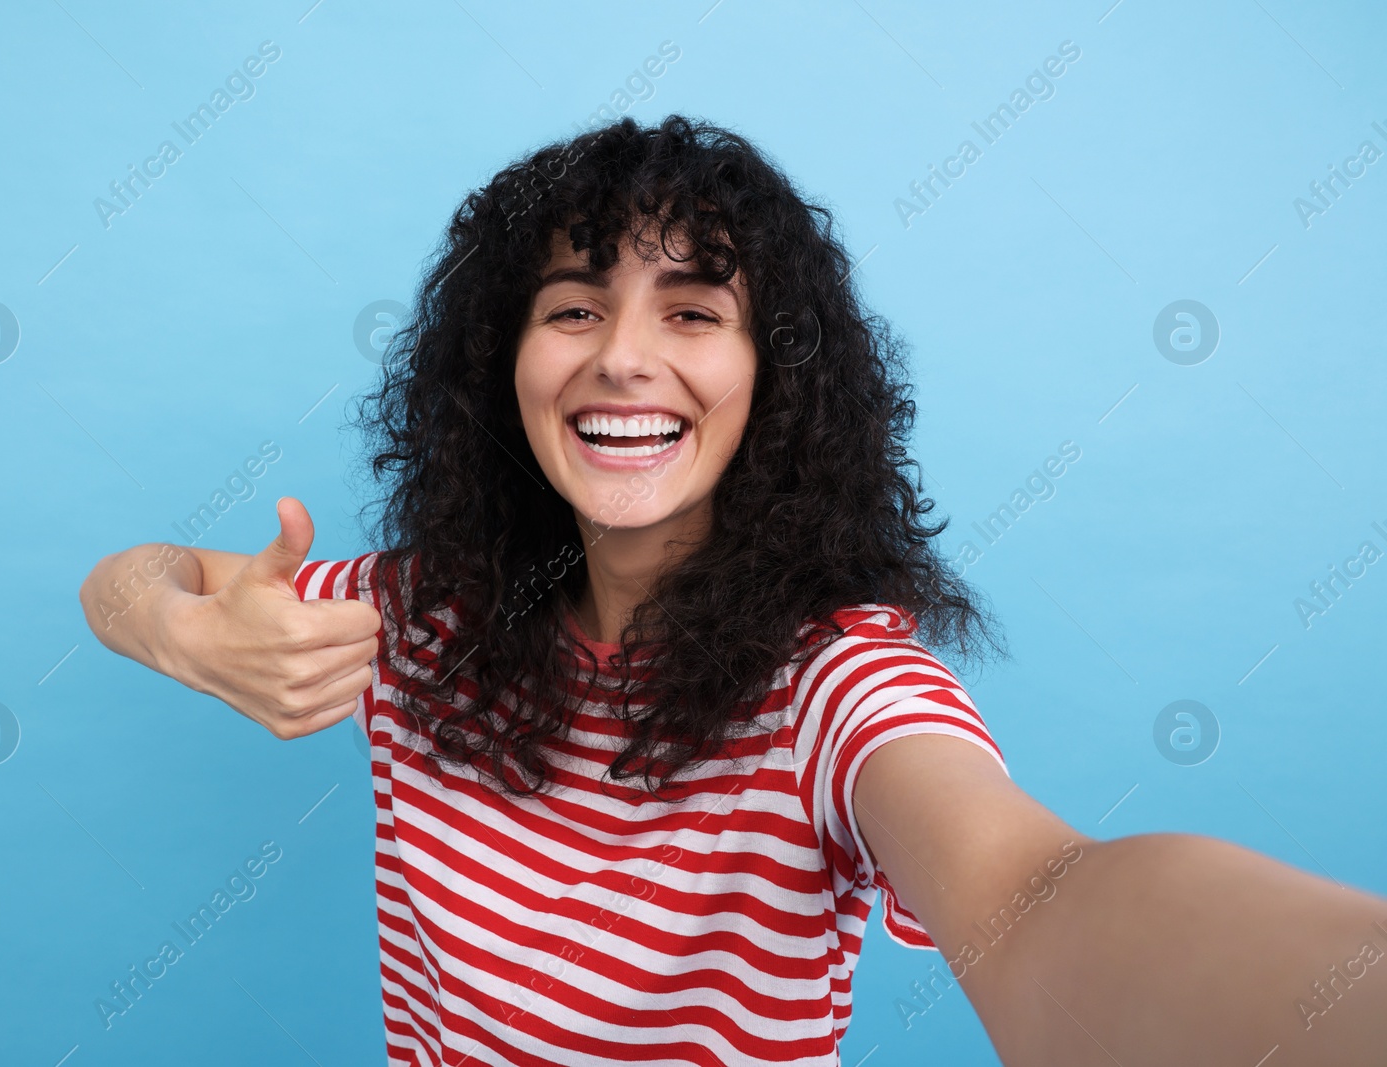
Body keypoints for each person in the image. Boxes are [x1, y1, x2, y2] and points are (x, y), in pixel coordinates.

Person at [80, 115, 1387, 1066]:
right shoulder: (425, 616)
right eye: (575, 310)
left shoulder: (832, 685)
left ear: (777, 381)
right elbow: (128, 579)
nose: (625, 360)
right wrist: (185, 630)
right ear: (505, 363)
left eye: (695, 313)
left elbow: (1037, 895)